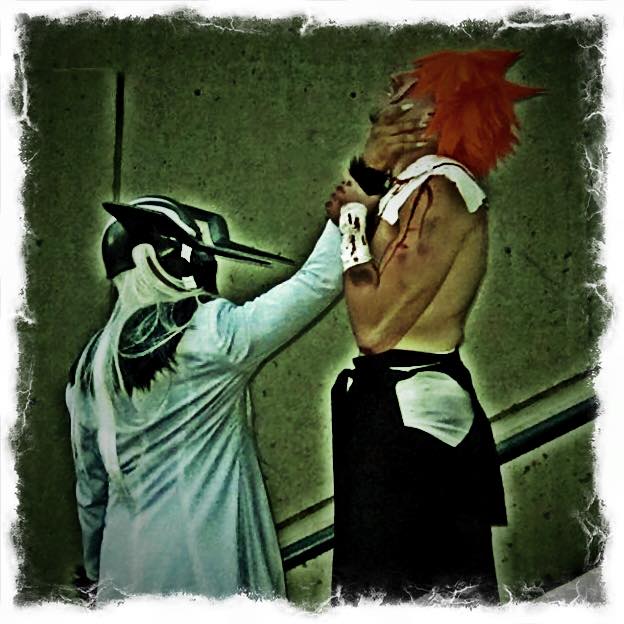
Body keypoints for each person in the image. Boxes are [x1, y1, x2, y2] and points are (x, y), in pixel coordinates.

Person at [325, 50, 543, 604]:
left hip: (415, 423)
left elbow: (373, 327)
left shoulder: (441, 190)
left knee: (412, 588)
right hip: (395, 413)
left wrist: (353, 217)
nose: (395, 81)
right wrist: (362, 197)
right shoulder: (411, 190)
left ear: (434, 116)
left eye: (415, 84)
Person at [66, 194, 346, 603]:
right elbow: (317, 283)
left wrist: (94, 571)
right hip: (205, 569)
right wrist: (348, 213)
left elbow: (91, 491)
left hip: (123, 573)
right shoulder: (211, 336)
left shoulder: (90, 369)